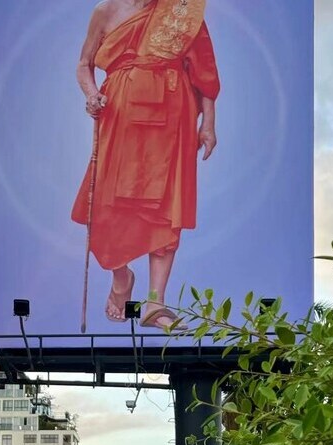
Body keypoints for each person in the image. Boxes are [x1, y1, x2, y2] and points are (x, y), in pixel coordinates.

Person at [71, 0, 220, 329]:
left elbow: (205, 72)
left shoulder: (180, 10)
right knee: (105, 206)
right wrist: (91, 94)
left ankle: (156, 303)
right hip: (120, 112)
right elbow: (84, 65)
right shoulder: (105, 11)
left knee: (167, 206)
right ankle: (121, 277)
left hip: (172, 111)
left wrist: (208, 122)